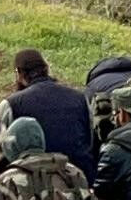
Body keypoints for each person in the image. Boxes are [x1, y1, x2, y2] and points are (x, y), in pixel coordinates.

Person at [6, 49, 98, 185]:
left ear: (19, 73)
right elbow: (90, 139)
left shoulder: (13, 103)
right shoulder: (79, 97)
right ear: (46, 69)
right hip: (80, 180)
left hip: (32, 183)